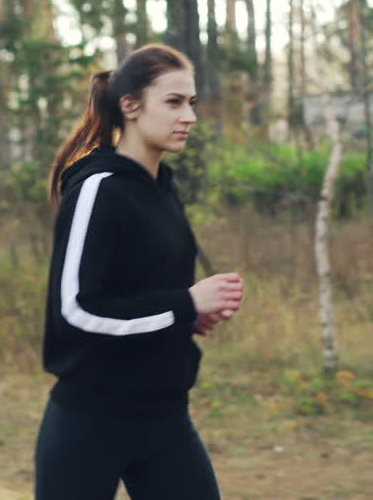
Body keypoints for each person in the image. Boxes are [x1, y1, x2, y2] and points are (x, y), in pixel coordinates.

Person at [35, 44, 244, 500]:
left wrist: (187, 317)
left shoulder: (162, 189)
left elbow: (143, 295)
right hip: (91, 423)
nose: (188, 116)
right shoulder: (98, 189)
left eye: (191, 103)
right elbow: (76, 311)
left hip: (166, 418)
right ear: (130, 105)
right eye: (173, 102)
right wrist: (184, 303)